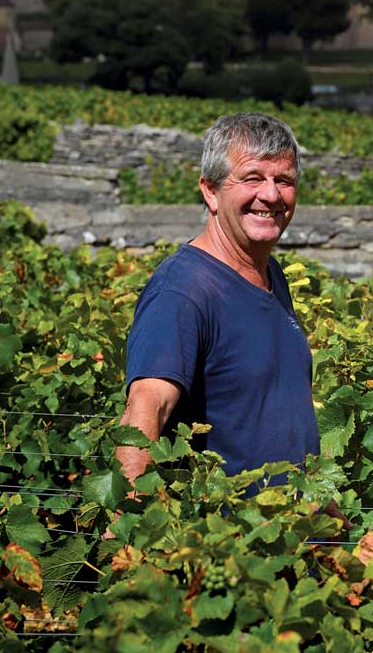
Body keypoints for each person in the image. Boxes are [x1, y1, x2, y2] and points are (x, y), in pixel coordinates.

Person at [115, 113, 319, 489]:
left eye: (284, 180)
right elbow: (146, 408)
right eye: (253, 178)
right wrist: (127, 528)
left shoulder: (270, 274)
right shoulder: (183, 291)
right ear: (210, 191)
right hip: (225, 542)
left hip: (294, 535)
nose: (271, 195)